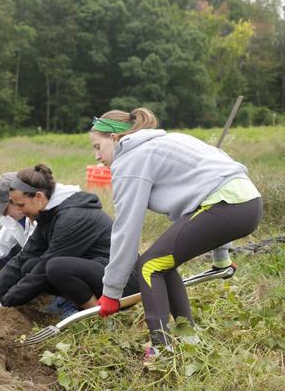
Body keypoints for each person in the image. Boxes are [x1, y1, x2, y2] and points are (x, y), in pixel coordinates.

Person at [89, 108, 262, 361]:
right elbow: (218, 179)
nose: (97, 156)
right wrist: (221, 259)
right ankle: (190, 341)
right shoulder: (167, 140)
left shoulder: (131, 159)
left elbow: (125, 230)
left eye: (97, 147)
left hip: (226, 207)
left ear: (114, 138)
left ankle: (162, 350)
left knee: (149, 266)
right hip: (247, 204)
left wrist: (111, 292)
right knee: (162, 263)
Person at [0, 164, 139, 317]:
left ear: (38, 197)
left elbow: (45, 268)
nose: (20, 211)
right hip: (97, 271)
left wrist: (5, 303)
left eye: (21, 205)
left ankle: (99, 317)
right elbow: (23, 258)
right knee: (29, 265)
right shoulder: (49, 213)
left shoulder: (72, 217)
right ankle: (78, 305)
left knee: (55, 267)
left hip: (123, 280)